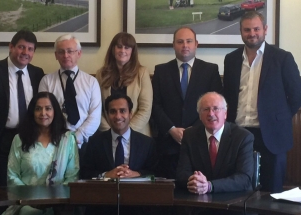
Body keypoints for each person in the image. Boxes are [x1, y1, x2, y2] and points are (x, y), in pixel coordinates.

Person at [223, 11, 301, 192]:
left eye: (256, 29)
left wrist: (279, 118)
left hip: (272, 136)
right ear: (241, 31)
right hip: (239, 134)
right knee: (239, 190)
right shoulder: (231, 59)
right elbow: (228, 95)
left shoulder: (282, 58)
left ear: (265, 29)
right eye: (247, 29)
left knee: (272, 192)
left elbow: (296, 95)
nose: (252, 33)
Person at [151, 27, 222, 179]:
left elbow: (216, 108)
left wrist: (192, 131)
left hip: (200, 142)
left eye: (189, 41)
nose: (185, 45)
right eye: (180, 42)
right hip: (168, 144)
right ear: (173, 45)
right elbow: (155, 106)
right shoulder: (161, 71)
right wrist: (171, 129)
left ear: (196, 44)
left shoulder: (210, 70)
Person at [176, 92, 253, 215]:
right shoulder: (190, 136)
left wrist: (210, 186)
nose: (211, 114)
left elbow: (244, 178)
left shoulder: (243, 137)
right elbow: (181, 172)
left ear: (225, 113)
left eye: (216, 109)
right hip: (200, 204)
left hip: (234, 203)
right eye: (206, 109)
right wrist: (194, 180)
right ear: (200, 115)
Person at [3, 92, 79, 215]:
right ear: (32, 112)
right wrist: (31, 200)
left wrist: (53, 200)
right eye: (38, 109)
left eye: (48, 108)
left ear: (55, 111)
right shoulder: (20, 139)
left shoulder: (67, 139)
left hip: (58, 205)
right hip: (26, 203)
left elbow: (72, 177)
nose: (43, 113)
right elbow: (12, 176)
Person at [0, 30, 45, 187]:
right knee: (2, 184)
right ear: (11, 47)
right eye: (21, 47)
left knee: (27, 182)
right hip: (3, 138)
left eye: (30, 49)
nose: (25, 52)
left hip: (30, 137)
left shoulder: (37, 73)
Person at [38, 34, 101, 153]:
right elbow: (43, 114)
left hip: (85, 143)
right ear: (56, 55)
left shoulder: (91, 82)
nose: (66, 55)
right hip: (54, 142)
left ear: (79, 53)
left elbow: (95, 116)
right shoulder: (46, 81)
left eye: (70, 51)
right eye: (61, 52)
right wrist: (57, 138)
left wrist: (76, 137)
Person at [81, 94, 156, 180]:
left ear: (130, 114)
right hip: (105, 191)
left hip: (137, 191)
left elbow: (154, 171)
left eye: (123, 111)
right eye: (113, 111)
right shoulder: (95, 142)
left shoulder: (147, 143)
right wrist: (106, 175)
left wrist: (137, 174)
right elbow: (85, 173)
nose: (118, 116)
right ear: (107, 115)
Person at [96, 32, 152, 136]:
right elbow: (98, 109)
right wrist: (111, 133)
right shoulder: (101, 74)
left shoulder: (142, 73)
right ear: (113, 49)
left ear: (132, 51)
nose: (122, 51)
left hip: (138, 135)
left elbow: (145, 109)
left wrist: (126, 133)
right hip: (108, 136)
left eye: (127, 47)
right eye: (119, 47)